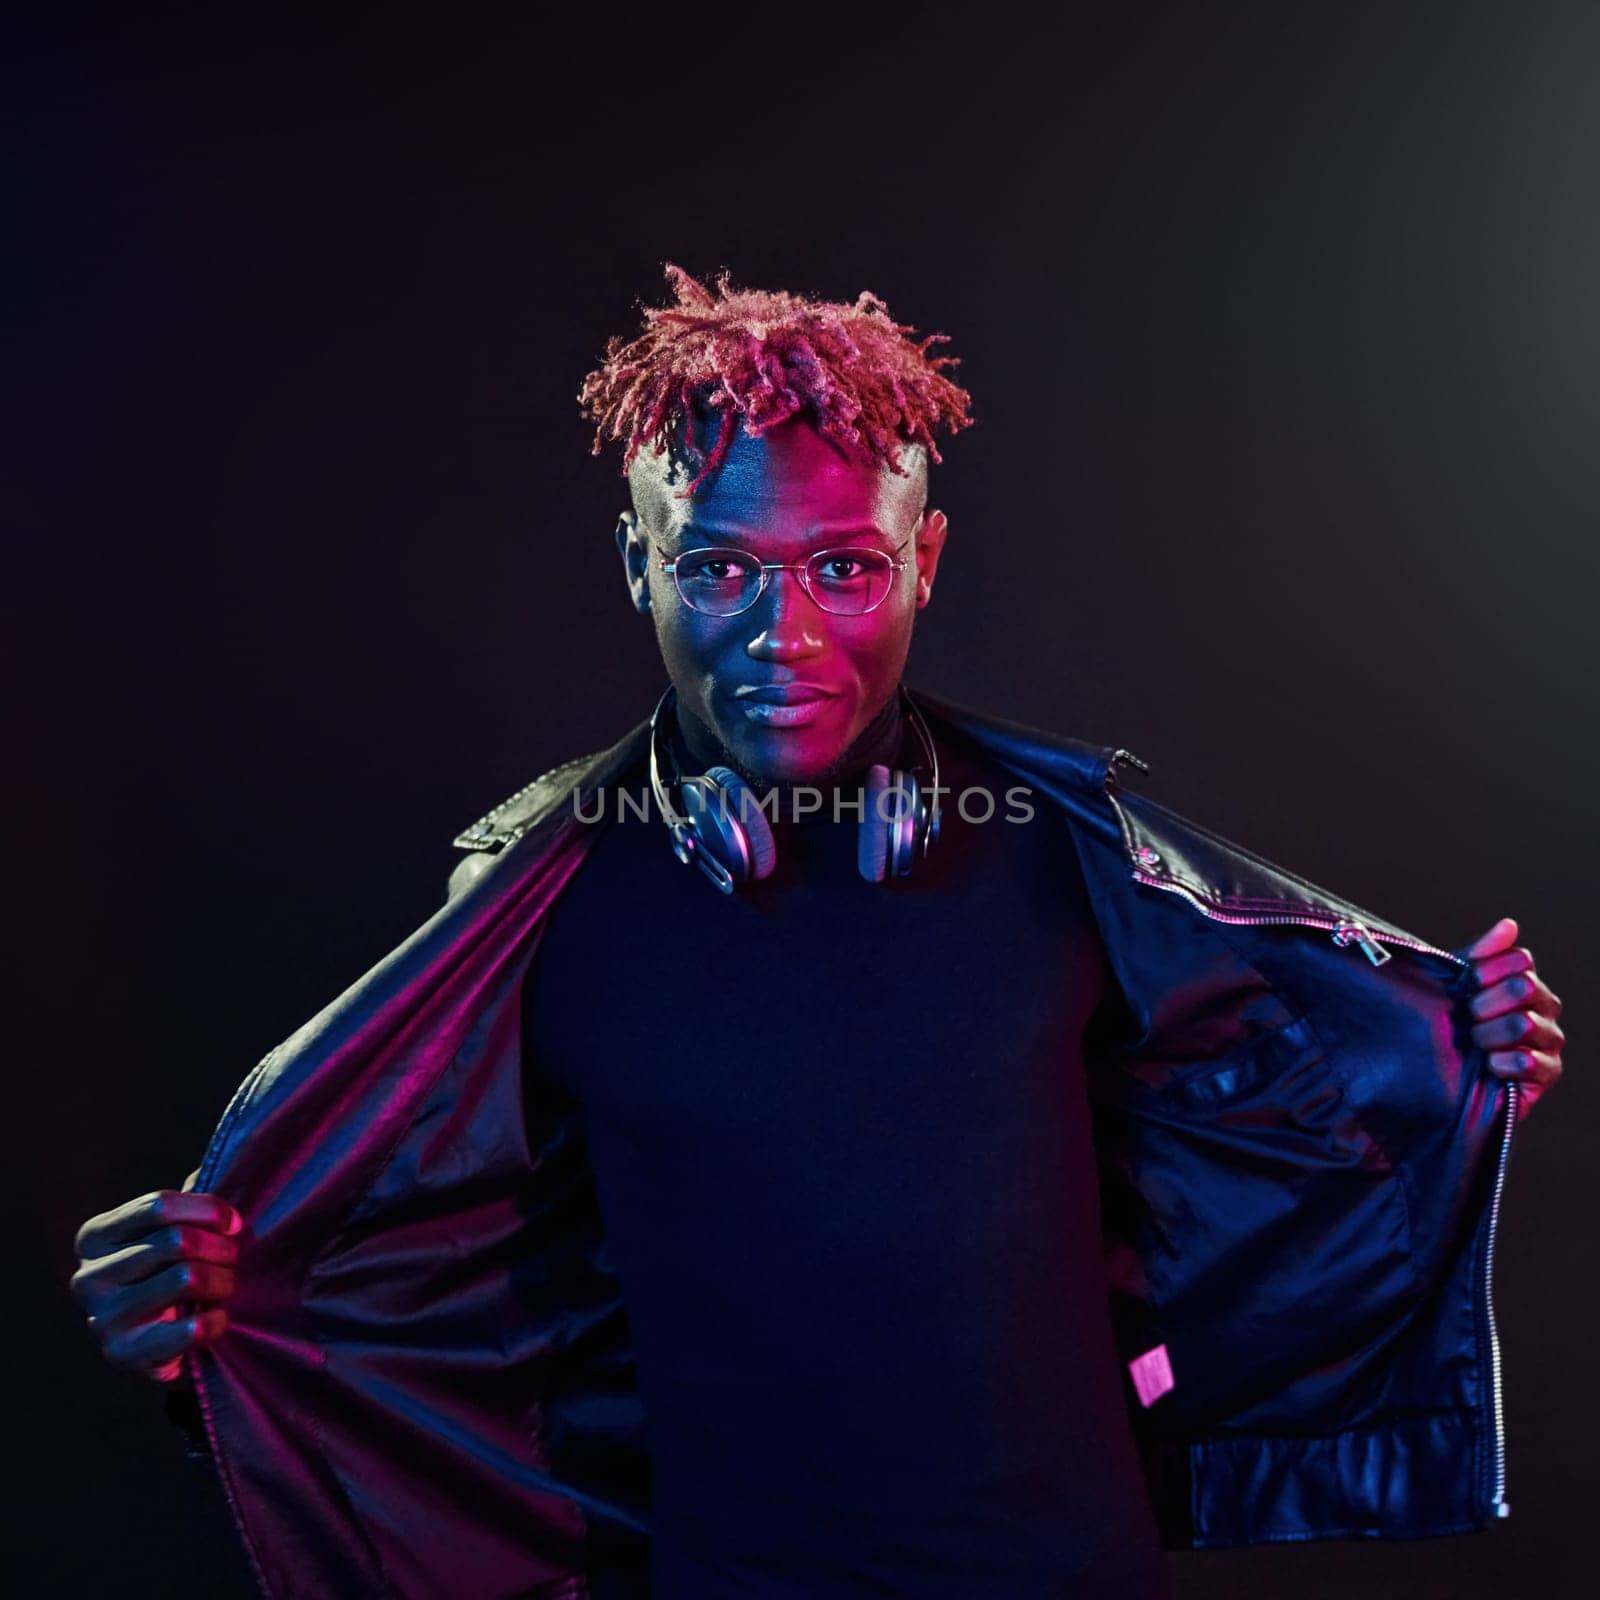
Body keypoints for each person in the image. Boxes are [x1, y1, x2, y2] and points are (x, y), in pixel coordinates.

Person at [71, 264, 1566, 1599]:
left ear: (919, 565)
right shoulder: (537, 902)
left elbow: (1278, 1126)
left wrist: (1447, 1051)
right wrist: (209, 1301)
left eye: (843, 569)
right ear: (638, 563)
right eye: (718, 569)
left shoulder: (1080, 859)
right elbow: (403, 1282)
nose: (781, 641)